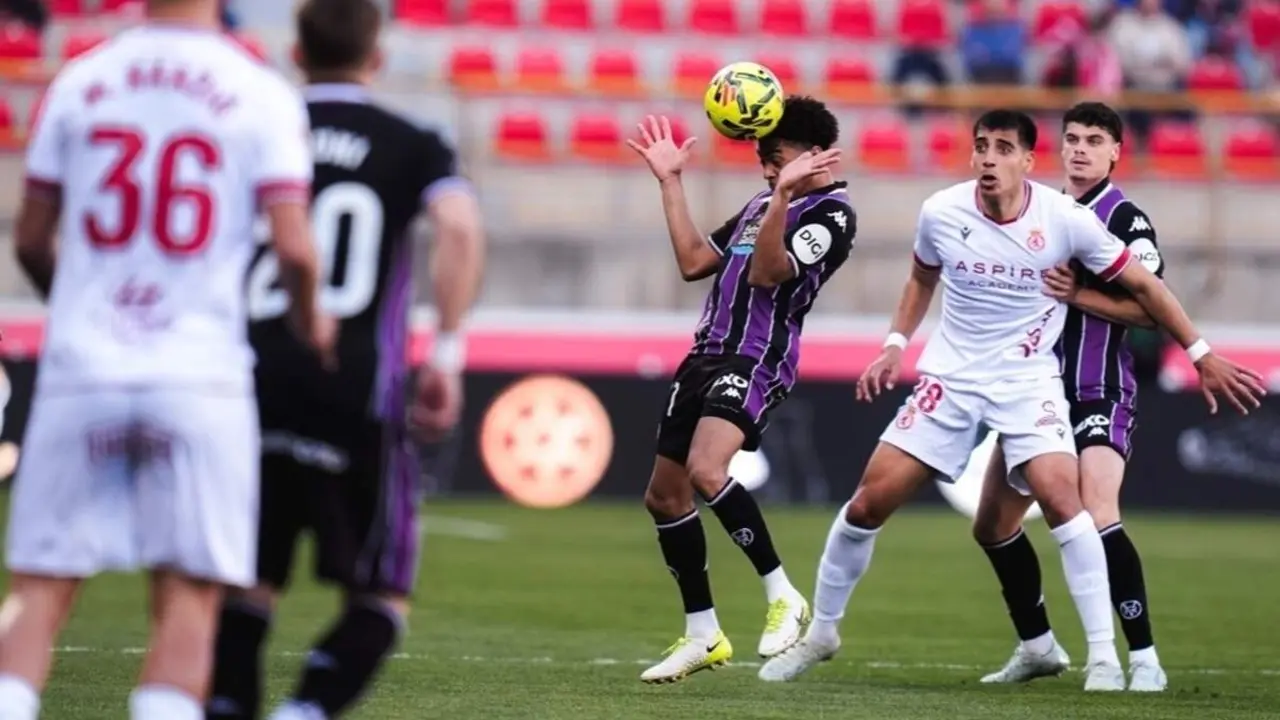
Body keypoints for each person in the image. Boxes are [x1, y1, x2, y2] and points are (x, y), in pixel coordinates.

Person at [758, 109, 1264, 688]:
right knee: (871, 505)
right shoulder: (941, 211)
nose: (989, 159)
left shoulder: (1070, 221)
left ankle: (1110, 656)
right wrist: (895, 344)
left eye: (1003, 148)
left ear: (1027, 160)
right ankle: (823, 633)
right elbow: (922, 277)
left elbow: (1149, 288)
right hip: (952, 380)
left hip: (1031, 383)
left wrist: (1200, 355)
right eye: (981, 147)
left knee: (1068, 502)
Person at [0, 0, 333, 718]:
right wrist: (312, 322)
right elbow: (296, 248)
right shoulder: (259, 91)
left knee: (39, 591)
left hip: (82, 366)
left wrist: (82, 304)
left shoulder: (82, 80)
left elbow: (29, 238)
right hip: (200, 373)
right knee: (188, 597)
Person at [205, 1, 486, 718]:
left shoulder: (256, 129)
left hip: (249, 382)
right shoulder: (412, 141)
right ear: (377, 57)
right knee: (381, 593)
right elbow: (457, 228)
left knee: (244, 585)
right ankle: (304, 712)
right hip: (357, 389)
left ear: (296, 53)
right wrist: (445, 353)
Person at [626, 97, 856, 683]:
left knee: (707, 470)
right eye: (764, 161)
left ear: (811, 154)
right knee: (664, 496)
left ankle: (784, 594)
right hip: (705, 354)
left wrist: (783, 197)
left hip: (757, 358)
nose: (767, 171)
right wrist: (671, 182)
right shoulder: (760, 203)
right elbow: (694, 260)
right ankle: (703, 633)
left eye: (775, 159)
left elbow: (768, 273)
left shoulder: (833, 215)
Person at [974, 102, 1168, 691]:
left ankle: (1143, 659)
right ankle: (1037, 646)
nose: (1080, 149)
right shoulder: (1037, 211)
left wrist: (1079, 295)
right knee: (992, 525)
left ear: (1115, 153)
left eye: (1094, 140)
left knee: (1097, 510)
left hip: (1097, 387)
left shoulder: (1126, 221)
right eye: (1072, 139)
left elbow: (1152, 307)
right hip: (1034, 393)